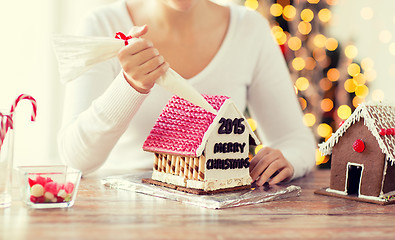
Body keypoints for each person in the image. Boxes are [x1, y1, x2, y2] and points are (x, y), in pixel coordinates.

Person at [58, 0, 316, 186]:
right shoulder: (103, 25)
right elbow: (76, 158)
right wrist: (129, 86)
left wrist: (286, 160)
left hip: (219, 213)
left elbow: (296, 141)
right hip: (120, 209)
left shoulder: (250, 29)